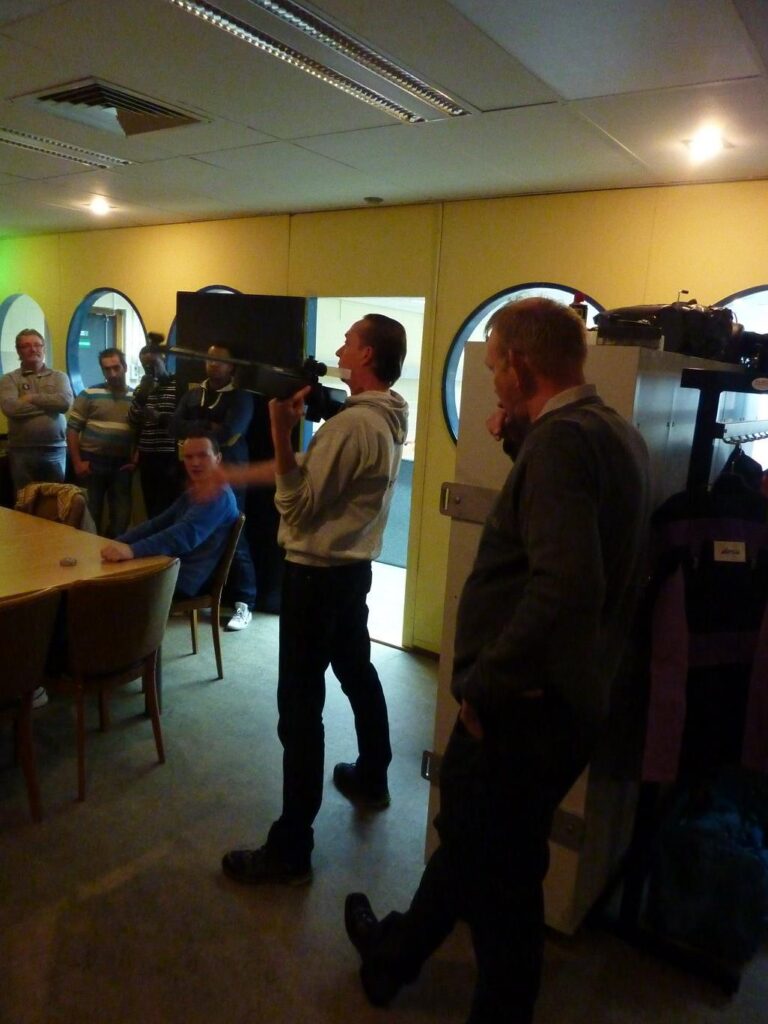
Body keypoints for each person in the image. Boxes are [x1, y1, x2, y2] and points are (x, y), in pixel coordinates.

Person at [342, 298, 650, 1024]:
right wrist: (519, 443)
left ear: (518, 363)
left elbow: (566, 587)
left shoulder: (561, 445)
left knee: (503, 882)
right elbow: (572, 536)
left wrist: (486, 684)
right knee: (477, 845)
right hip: (572, 698)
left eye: (491, 367)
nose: (491, 380)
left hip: (523, 707)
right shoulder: (612, 431)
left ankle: (465, 995)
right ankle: (393, 956)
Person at [218, 314, 409, 885]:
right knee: (356, 671)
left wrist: (280, 430)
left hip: (316, 579)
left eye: (349, 340)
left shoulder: (350, 428)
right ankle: (372, 774)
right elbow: (314, 472)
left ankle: (291, 849)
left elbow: (297, 506)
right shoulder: (387, 414)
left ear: (367, 354)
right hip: (350, 574)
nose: (340, 347)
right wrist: (235, 475)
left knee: (300, 711)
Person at [171, 344, 256, 631]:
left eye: (219, 360)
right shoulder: (194, 393)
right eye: (208, 359)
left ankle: (245, 602)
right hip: (198, 477)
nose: (212, 364)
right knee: (195, 533)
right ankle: (196, 595)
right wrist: (209, 426)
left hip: (231, 473)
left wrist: (196, 427)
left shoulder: (241, 397)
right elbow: (174, 426)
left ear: (232, 366)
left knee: (235, 536)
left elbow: (229, 433)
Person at [101, 432, 238, 598]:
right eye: (189, 457)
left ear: (218, 458)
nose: (195, 463)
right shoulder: (196, 491)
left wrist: (132, 550)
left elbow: (183, 535)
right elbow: (156, 524)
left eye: (203, 455)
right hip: (169, 566)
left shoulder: (219, 496)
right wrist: (117, 542)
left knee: (99, 589)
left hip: (184, 578)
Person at [67, 347, 136, 537]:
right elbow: (72, 429)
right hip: (92, 462)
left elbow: (141, 431)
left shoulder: (136, 397)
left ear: (125, 367)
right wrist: (77, 463)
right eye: (107, 369)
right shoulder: (89, 394)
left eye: (116, 367)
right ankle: (90, 552)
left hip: (122, 464)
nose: (112, 373)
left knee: (121, 516)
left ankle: (111, 549)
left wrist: (135, 459)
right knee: (90, 515)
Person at [0, 328, 73, 496]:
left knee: (55, 499)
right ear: (18, 351)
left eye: (37, 345)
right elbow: (10, 408)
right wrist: (50, 404)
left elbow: (64, 403)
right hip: (21, 450)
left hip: (55, 449)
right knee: (25, 498)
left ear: (43, 348)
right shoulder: (9, 379)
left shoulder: (59, 377)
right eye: (26, 346)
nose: (33, 349)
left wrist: (31, 398)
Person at [128, 333, 180, 518]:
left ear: (163, 359)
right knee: (151, 506)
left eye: (153, 364)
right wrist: (141, 398)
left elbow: (182, 421)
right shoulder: (142, 389)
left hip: (170, 455)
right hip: (147, 455)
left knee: (168, 506)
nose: (150, 369)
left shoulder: (178, 385)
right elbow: (133, 422)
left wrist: (159, 417)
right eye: (145, 366)